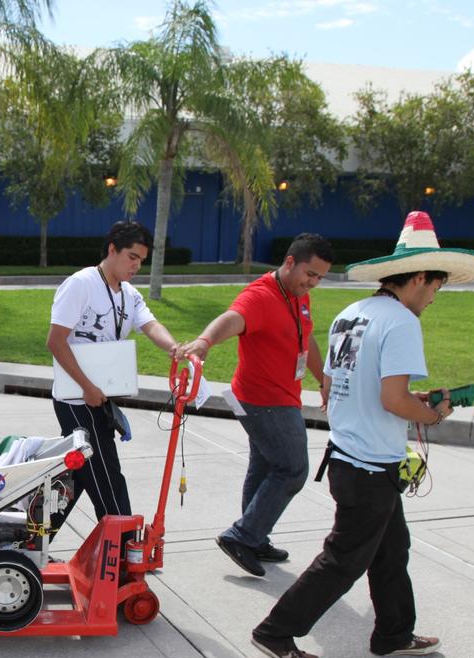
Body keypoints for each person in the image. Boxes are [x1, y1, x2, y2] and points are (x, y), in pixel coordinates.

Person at [250, 211, 474, 658]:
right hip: (369, 464)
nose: (435, 298)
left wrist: (408, 401)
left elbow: (345, 385)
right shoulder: (401, 322)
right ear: (419, 277)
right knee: (343, 560)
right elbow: (393, 398)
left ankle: (393, 632)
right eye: (436, 287)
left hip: (348, 454)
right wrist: (431, 414)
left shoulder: (351, 313)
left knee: (392, 549)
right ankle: (275, 631)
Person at [176, 233, 334, 578]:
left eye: (321, 277)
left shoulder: (298, 295)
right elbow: (232, 318)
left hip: (278, 396)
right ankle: (243, 536)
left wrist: (323, 378)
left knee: (264, 467)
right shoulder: (261, 295)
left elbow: (306, 338)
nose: (314, 283)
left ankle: (254, 535)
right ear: (290, 262)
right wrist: (204, 341)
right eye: (310, 274)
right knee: (292, 469)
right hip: (265, 400)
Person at [49, 221, 180, 521]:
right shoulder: (81, 284)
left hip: (99, 397)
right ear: (112, 249)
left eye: (141, 261)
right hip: (77, 399)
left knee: (74, 474)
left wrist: (174, 348)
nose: (136, 266)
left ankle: (31, 540)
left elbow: (150, 325)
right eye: (132, 257)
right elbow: (55, 342)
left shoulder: (129, 294)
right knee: (107, 477)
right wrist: (87, 387)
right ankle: (122, 550)